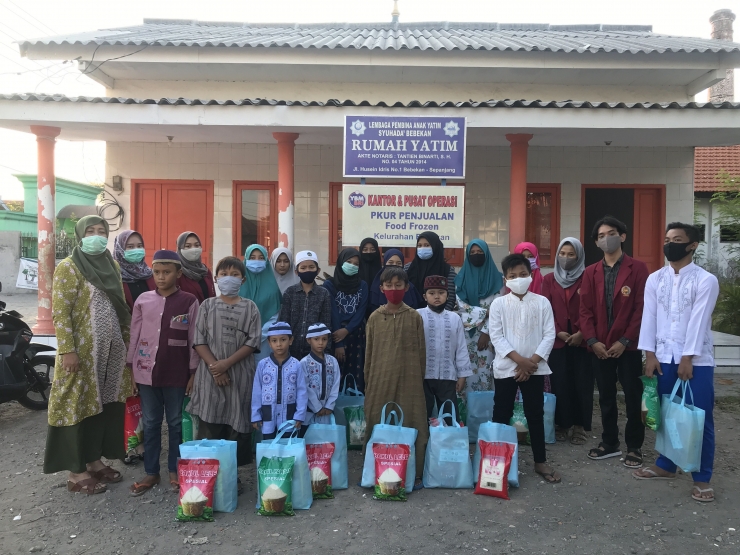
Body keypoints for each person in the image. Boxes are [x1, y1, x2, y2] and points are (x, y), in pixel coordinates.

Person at [45, 215, 132, 494]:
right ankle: (75, 471)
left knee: (103, 404)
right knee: (77, 405)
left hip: (111, 352)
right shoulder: (69, 268)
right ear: (80, 236)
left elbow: (120, 307)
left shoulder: (112, 265)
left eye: (101, 231)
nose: (96, 235)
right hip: (81, 353)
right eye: (90, 231)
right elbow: (61, 312)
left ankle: (94, 460)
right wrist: (67, 350)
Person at [633, 223, 719, 502]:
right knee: (667, 414)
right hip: (662, 357)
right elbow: (649, 318)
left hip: (696, 361)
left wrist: (687, 358)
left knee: (699, 418)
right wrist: (649, 354)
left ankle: (702, 477)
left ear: (692, 245)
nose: (671, 244)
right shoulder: (655, 279)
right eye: (668, 239)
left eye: (678, 240)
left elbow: (698, 322)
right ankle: (667, 465)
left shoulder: (705, 280)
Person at [127, 250, 199, 496]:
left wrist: (193, 372)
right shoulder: (143, 301)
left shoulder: (189, 301)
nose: (160, 277)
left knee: (176, 422)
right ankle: (151, 471)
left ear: (178, 274)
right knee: (151, 421)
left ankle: (174, 469)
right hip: (146, 373)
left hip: (177, 373)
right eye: (157, 272)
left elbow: (193, 339)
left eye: (166, 272)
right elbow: (135, 334)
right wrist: (131, 369)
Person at [579, 216, 648, 468]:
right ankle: (609, 442)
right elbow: (584, 311)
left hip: (626, 347)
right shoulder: (590, 272)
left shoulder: (638, 269)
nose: (605, 238)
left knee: (632, 395)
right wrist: (593, 340)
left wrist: (625, 340)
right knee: (606, 396)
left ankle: (634, 446)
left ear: (622, 236)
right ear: (596, 242)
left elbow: (641, 309)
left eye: (610, 233)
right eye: (600, 235)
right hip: (600, 347)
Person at [489, 253, 560, 483]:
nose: (518, 278)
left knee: (535, 414)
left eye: (523, 274)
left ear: (531, 275)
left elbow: (550, 335)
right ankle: (496, 460)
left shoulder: (542, 302)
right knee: (501, 412)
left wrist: (532, 363)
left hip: (535, 368)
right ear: (505, 279)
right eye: (513, 275)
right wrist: (521, 362)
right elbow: (497, 337)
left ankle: (540, 461)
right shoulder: (498, 304)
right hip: (507, 367)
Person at [190, 256, 261, 468]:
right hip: (210, 377)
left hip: (240, 376)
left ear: (243, 280)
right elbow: (199, 340)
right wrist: (217, 368)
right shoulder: (207, 305)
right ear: (215, 278)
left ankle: (233, 477)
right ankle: (211, 475)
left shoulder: (251, 308)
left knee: (237, 422)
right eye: (224, 274)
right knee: (211, 423)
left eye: (234, 275)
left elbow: (253, 341)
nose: (228, 278)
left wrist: (226, 364)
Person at [363, 266, 428, 489]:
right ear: (381, 289)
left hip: (409, 380)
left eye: (398, 285)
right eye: (389, 285)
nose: (394, 289)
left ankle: (413, 472)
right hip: (379, 379)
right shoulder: (374, 318)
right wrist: (368, 381)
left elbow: (421, 353)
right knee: (376, 419)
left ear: (406, 287)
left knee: (412, 419)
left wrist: (418, 379)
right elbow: (369, 354)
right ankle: (374, 472)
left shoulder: (414, 317)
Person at [541, 237, 593, 445]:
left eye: (571, 254)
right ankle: (562, 423)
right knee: (559, 381)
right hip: (558, 339)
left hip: (583, 339)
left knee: (582, 382)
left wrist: (582, 331)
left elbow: (591, 308)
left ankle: (580, 426)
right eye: (562, 254)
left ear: (579, 256)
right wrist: (558, 331)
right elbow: (545, 309)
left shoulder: (588, 277)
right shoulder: (549, 280)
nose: (566, 258)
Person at [419, 275, 472, 423]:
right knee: (423, 414)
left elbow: (461, 347)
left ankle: (450, 443)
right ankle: (423, 443)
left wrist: (462, 375)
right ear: (425, 296)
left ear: (448, 296)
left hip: (447, 376)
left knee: (450, 414)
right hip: (424, 376)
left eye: (441, 293)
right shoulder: (417, 316)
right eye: (432, 293)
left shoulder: (454, 318)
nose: (437, 297)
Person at [455, 239, 505, 392]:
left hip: (490, 335)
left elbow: (499, 309)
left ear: (487, 254)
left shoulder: (498, 279)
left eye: (480, 252)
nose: (476, 255)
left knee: (487, 373)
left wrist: (486, 333)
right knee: (465, 372)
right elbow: (461, 307)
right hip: (465, 335)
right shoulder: (460, 278)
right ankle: (466, 414)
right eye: (472, 253)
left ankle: (485, 413)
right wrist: (486, 312)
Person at [251, 321, 308, 440]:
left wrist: (299, 415)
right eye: (274, 340)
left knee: (288, 446)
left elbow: (302, 392)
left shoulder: (296, 365)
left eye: (283, 340)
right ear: (269, 343)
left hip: (290, 415)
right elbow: (257, 391)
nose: (279, 344)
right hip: (268, 415)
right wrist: (256, 415)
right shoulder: (263, 365)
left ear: (290, 340)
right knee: (269, 445)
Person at [323, 248, 368, 391]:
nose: (352, 266)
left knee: (356, 376)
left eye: (356, 264)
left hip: (356, 336)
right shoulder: (329, 285)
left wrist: (347, 329)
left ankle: (355, 411)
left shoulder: (362, 285)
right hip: (336, 336)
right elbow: (333, 313)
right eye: (349, 262)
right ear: (341, 262)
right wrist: (339, 343)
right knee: (336, 375)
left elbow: (361, 311)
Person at [278, 250, 332, 360]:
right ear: (296, 272)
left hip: (315, 352)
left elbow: (326, 323)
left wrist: (326, 352)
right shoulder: (290, 292)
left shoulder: (323, 293)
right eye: (303, 268)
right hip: (291, 352)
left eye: (311, 267)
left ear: (318, 270)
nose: (307, 270)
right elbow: (284, 321)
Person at [239, 244, 283, 363]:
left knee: (262, 371)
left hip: (263, 341)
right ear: (246, 259)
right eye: (252, 258)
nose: (256, 261)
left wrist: (258, 336)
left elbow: (274, 314)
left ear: (266, 261)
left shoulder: (272, 288)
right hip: (239, 340)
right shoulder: (238, 285)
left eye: (261, 258)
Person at [300, 323, 341, 426]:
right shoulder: (304, 363)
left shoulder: (333, 361)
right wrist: (317, 407)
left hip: (328, 410)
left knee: (327, 440)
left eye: (324, 339)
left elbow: (336, 384)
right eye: (316, 339)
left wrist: (329, 406)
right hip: (310, 411)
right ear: (309, 340)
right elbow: (305, 387)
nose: (320, 343)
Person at [405, 231, 457, 310]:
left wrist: (439, 317)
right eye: (419, 245)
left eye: (427, 245)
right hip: (411, 317)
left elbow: (450, 299)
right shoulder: (407, 268)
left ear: (435, 246)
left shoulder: (448, 270)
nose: (422, 248)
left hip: (439, 317)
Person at [368, 248, 423, 314]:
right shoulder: (376, 286)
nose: (394, 265)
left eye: (398, 263)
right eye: (391, 262)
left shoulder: (410, 287)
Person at [114, 230, 155, 311]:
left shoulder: (149, 274)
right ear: (120, 249)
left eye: (140, 246)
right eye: (130, 247)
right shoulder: (115, 276)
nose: (136, 250)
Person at [176, 231, 216, 303]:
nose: (193, 249)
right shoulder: (177, 273)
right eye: (188, 246)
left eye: (197, 245)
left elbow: (213, 296)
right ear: (179, 249)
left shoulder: (205, 271)